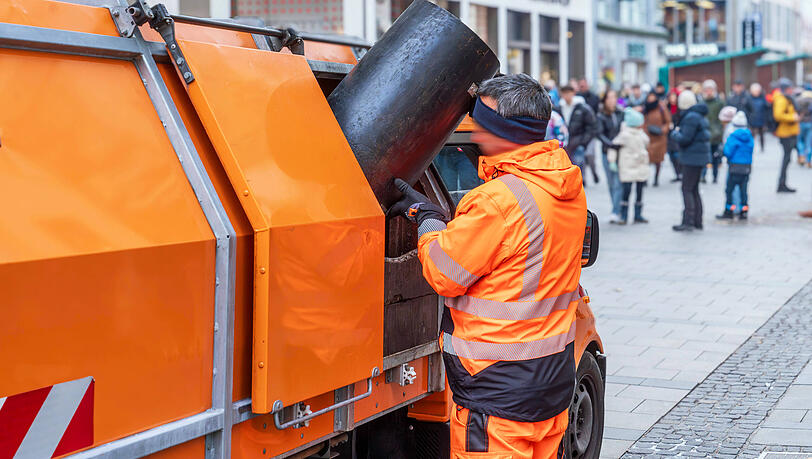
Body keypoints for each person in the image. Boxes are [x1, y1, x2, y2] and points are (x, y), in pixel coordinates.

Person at [389, 73, 585, 459]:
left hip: (497, 391)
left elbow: (444, 273)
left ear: (502, 129)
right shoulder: (565, 184)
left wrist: (427, 219)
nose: (473, 128)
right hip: (550, 380)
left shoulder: (497, 201)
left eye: (479, 119)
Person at [670, 89, 711, 232]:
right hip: (698, 157)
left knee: (687, 189)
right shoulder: (698, 115)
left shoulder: (690, 117)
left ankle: (689, 221)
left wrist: (674, 133)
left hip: (692, 158)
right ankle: (697, 221)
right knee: (694, 189)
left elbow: (685, 138)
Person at [609, 108, 650, 224]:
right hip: (628, 167)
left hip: (640, 166)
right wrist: (612, 161)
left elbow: (646, 143)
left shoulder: (641, 134)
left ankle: (637, 214)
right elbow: (614, 147)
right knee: (626, 192)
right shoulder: (624, 135)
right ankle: (624, 215)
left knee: (639, 192)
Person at [717, 111, 754, 221]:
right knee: (743, 191)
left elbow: (728, 152)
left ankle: (729, 210)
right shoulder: (749, 137)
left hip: (734, 167)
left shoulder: (733, 137)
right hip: (746, 167)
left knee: (730, 190)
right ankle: (744, 211)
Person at [557, 85, 597, 184]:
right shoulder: (558, 108)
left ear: (573, 93)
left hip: (578, 143)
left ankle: (580, 183)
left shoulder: (582, 108)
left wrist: (583, 142)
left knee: (578, 167)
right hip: (564, 144)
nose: (567, 96)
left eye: (568, 93)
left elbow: (591, 126)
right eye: (564, 93)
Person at [596, 88, 625, 223]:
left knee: (618, 182)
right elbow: (599, 133)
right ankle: (616, 208)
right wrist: (610, 144)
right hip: (607, 152)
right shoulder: (601, 115)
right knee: (611, 182)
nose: (612, 100)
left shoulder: (621, 113)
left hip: (621, 152)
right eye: (609, 97)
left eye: (614, 97)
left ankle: (616, 211)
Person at [773, 78, 799, 192]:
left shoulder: (788, 98)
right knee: (786, 159)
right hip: (785, 133)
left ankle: (782, 183)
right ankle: (781, 183)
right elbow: (778, 115)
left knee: (788, 159)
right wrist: (792, 117)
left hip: (790, 132)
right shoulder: (781, 99)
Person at [643, 91, 671, 186]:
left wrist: (663, 130)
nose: (651, 99)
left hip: (659, 138)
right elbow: (642, 121)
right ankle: (645, 178)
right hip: (647, 138)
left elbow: (668, 121)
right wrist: (644, 131)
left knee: (658, 160)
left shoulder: (661, 108)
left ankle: (656, 178)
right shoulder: (645, 108)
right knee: (646, 159)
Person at [701, 79, 725, 183]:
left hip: (716, 135)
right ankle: (703, 175)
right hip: (705, 135)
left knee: (716, 157)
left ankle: (715, 176)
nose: (709, 92)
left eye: (710, 89)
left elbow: (723, 119)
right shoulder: (701, 103)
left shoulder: (720, 103)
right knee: (704, 157)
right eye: (707, 90)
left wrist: (720, 131)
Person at [747, 83, 769, 152]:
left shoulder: (762, 98)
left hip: (761, 119)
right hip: (752, 120)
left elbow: (766, 107)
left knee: (761, 135)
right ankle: (751, 147)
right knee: (752, 135)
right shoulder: (749, 99)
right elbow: (747, 109)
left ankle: (762, 147)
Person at [666, 90, 682, 181]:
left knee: (677, 155)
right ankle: (677, 173)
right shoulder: (666, 108)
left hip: (677, 133)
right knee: (671, 156)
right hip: (668, 134)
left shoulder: (679, 108)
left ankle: (680, 173)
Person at [795, 84, 812, 167]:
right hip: (810, 123)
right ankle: (808, 160)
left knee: (799, 140)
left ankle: (801, 154)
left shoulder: (798, 99)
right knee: (809, 142)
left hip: (800, 123)